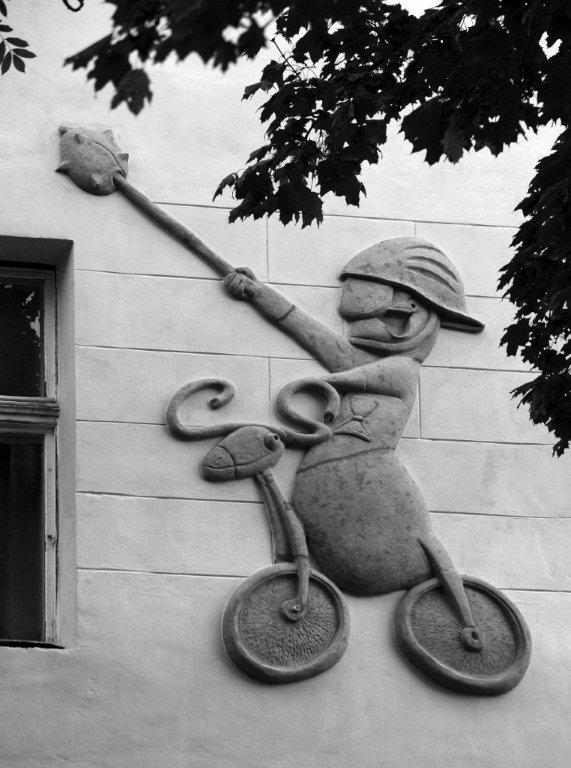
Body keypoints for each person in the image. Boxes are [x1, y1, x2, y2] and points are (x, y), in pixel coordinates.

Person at [224, 237, 484, 595]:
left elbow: (351, 377)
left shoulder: (402, 369)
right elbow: (310, 332)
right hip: (325, 478)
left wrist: (315, 384)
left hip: (364, 477)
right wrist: (258, 293)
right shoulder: (370, 361)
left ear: (414, 310)